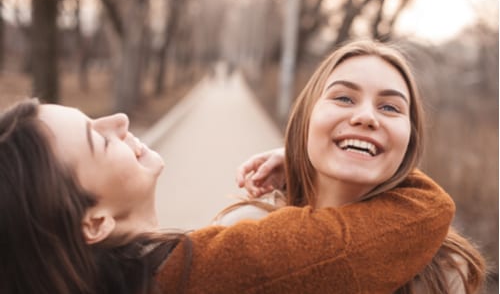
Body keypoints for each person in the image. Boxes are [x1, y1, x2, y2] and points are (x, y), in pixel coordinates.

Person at [0, 98, 456, 294]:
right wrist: (306, 163)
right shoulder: (209, 272)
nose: (118, 119)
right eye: (98, 138)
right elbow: (423, 212)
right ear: (94, 222)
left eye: (96, 117)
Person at [222, 40, 486, 293]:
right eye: (345, 99)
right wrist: (299, 154)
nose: (366, 117)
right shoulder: (241, 230)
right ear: (307, 118)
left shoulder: (442, 270)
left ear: (409, 141)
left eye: (390, 107)